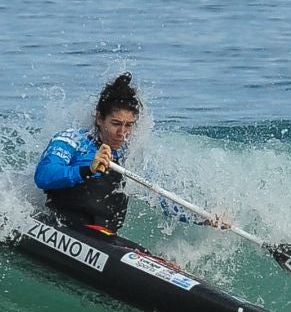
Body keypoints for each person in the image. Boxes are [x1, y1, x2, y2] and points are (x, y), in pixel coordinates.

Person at [32, 72, 226, 235]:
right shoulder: (73, 140)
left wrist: (202, 218)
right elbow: (44, 175)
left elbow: (162, 200)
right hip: (63, 226)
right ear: (99, 118)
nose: (122, 133)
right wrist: (88, 169)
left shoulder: (130, 155)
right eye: (116, 124)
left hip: (103, 237)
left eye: (128, 125)